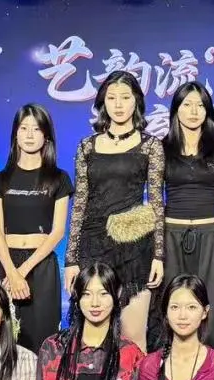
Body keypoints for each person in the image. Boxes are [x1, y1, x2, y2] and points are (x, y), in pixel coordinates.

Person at [65, 71, 165, 350]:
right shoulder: (87, 146)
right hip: (93, 245)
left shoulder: (151, 146)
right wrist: (70, 259)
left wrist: (158, 255)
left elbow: (156, 202)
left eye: (125, 97)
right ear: (102, 102)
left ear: (137, 101)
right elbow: (79, 204)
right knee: (91, 339)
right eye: (111, 98)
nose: (118, 104)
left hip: (134, 248)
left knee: (133, 338)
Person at [0, 103, 73, 353]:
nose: (29, 135)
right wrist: (12, 273)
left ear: (46, 135)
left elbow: (58, 232)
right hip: (5, 263)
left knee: (42, 341)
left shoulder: (59, 178)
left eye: (36, 129)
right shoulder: (0, 179)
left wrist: (23, 271)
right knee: (1, 340)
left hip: (41, 265)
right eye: (23, 128)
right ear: (15, 133)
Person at [161, 82, 214, 352]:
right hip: (171, 237)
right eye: (187, 104)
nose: (193, 111)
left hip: (211, 237)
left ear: (208, 111)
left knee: (211, 311)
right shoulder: (161, 148)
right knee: (172, 308)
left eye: (200, 105)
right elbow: (155, 203)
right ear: (176, 110)